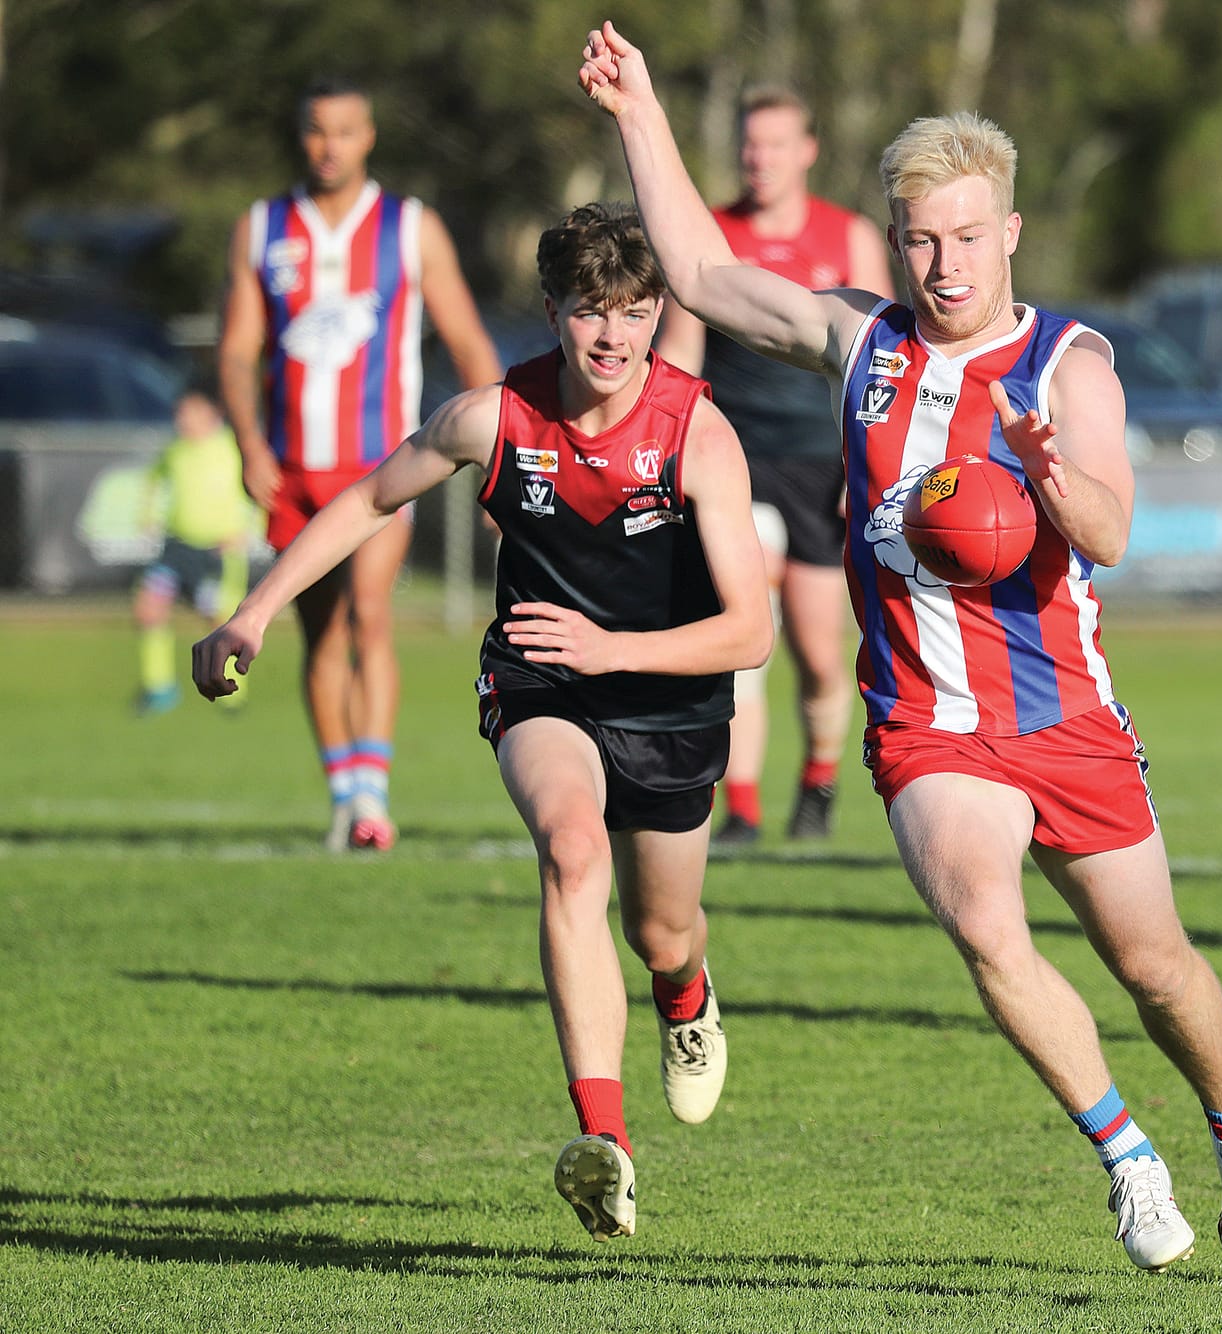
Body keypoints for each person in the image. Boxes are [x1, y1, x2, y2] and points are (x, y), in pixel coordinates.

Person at [580, 20, 1222, 1281]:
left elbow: (1114, 532)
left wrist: (1045, 476)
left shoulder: (1070, 364)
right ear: (894, 239)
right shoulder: (863, 340)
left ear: (1008, 231)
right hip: (926, 718)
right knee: (980, 918)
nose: (943, 261)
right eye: (919, 238)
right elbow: (695, 268)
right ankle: (1126, 1155)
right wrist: (637, 108)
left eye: (966, 236)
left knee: (1156, 965)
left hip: (1063, 713)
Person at [194, 202, 773, 1242]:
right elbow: (372, 500)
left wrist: (617, 649)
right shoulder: (492, 416)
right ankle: (605, 1141)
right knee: (568, 848)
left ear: (657, 316)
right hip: (541, 680)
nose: (613, 337)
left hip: (670, 691)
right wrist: (254, 609)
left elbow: (749, 630)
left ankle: (684, 996)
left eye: (636, 312)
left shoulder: (697, 432)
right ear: (552, 311)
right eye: (591, 312)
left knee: (660, 930)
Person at [218, 76, 503, 852]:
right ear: (300, 135)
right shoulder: (261, 227)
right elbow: (239, 353)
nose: (329, 145)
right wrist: (247, 440)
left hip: (383, 467)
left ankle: (373, 792)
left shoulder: (411, 229)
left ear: (368, 135)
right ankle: (345, 794)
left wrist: (494, 458)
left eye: (344, 131)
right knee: (316, 632)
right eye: (316, 131)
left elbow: (471, 344)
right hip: (291, 469)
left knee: (365, 614)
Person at [658, 87, 895, 846]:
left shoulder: (850, 236)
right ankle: (744, 808)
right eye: (749, 144)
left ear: (808, 150)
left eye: (775, 144)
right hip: (739, 465)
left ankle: (819, 783)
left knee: (821, 650)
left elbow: (884, 368)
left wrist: (873, 480)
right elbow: (680, 357)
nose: (760, 158)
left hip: (826, 468)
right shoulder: (711, 237)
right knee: (745, 632)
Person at [133, 386, 255, 715]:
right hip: (177, 548)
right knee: (149, 608)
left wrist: (248, 531)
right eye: (179, 413)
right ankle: (158, 689)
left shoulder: (234, 448)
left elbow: (263, 488)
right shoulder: (175, 451)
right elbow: (153, 480)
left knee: (219, 622)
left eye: (189, 412)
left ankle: (231, 693)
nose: (182, 420)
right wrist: (147, 516)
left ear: (212, 413)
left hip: (217, 554)